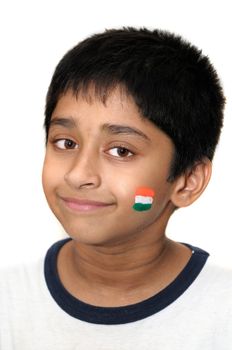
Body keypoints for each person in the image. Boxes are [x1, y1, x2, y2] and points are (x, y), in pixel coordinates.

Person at [1, 27, 231, 349]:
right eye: (66, 142)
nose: (79, 174)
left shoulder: (224, 314)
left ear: (188, 180)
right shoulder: (8, 301)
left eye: (121, 151)